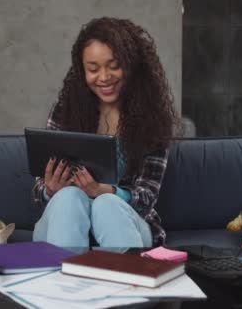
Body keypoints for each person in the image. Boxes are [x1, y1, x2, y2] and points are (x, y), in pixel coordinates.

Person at [31, 17, 179, 248]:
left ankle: (129, 279)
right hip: (64, 223)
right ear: (82, 71)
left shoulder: (152, 119)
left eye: (114, 66)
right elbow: (39, 189)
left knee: (106, 204)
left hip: (124, 222)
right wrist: (50, 190)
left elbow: (147, 197)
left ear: (131, 65)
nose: (104, 77)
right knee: (69, 198)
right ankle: (64, 279)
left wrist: (106, 192)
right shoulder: (65, 111)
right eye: (93, 69)